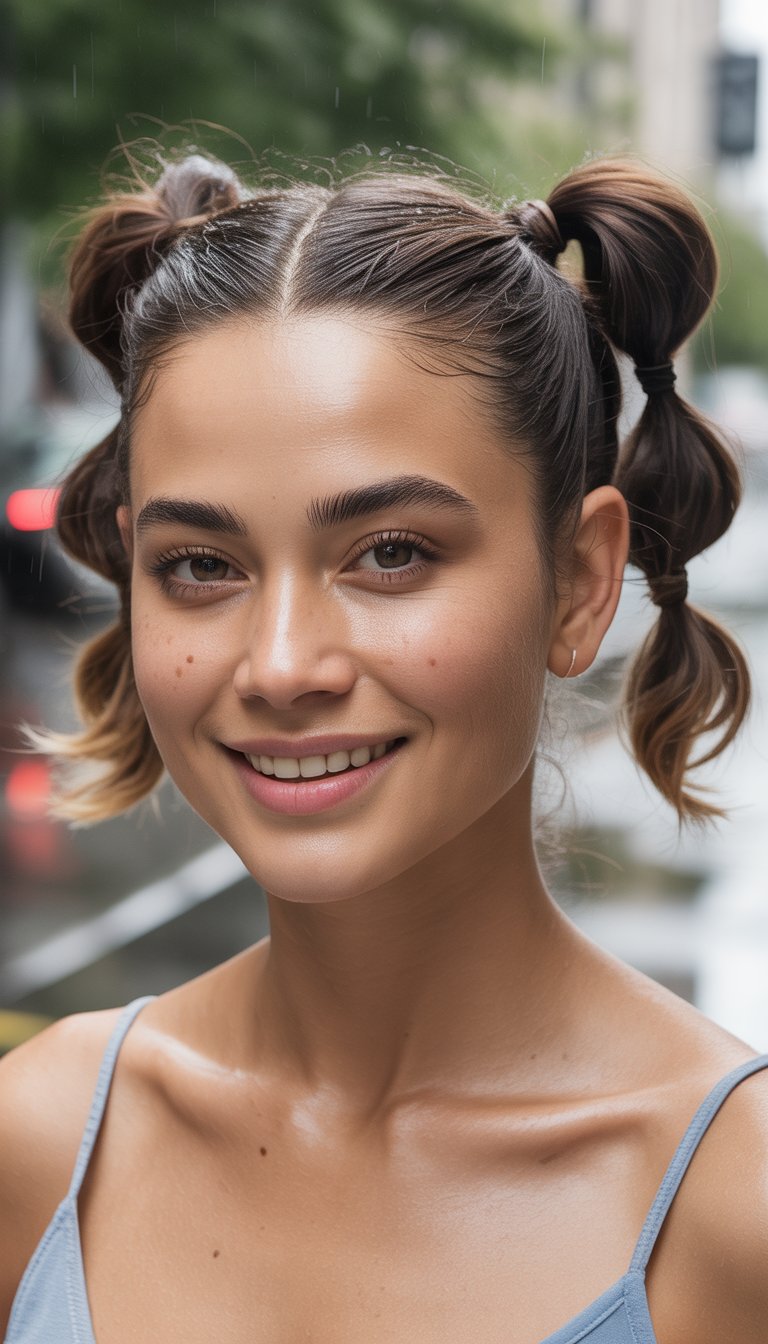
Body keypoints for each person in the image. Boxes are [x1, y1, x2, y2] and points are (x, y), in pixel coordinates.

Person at [1, 148, 766, 1344]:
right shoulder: (37, 1147)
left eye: (392, 553)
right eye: (202, 565)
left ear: (578, 580)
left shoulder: (736, 1212)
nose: (283, 664)